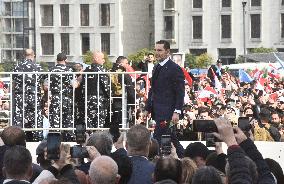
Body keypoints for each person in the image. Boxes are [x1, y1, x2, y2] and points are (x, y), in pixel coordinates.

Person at [145, 40, 185, 157]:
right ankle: (185, 159)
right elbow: (153, 89)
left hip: (169, 112)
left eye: (160, 50)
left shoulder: (175, 69)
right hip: (158, 111)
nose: (157, 53)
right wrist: (148, 107)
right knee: (170, 138)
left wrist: (177, 111)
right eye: (155, 50)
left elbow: (180, 92)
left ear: (167, 51)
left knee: (158, 137)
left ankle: (154, 161)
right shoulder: (156, 67)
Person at [12, 48, 43, 141]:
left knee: (19, 117)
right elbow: (43, 83)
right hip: (34, 96)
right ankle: (37, 138)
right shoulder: (38, 67)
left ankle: (18, 139)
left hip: (21, 96)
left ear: (24, 56)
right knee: (36, 117)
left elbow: (14, 83)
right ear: (33, 55)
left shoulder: (17, 67)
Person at [79, 51, 110, 128]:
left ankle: (89, 137)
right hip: (99, 99)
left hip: (87, 98)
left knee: (89, 121)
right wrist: (110, 96)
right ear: (96, 58)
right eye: (102, 58)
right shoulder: (101, 70)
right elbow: (106, 85)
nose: (104, 60)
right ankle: (98, 138)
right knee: (99, 121)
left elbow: (82, 84)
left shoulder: (86, 70)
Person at [49, 53, 74, 141]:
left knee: (55, 119)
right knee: (67, 119)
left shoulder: (51, 70)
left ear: (57, 60)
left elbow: (46, 85)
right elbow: (73, 84)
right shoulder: (69, 70)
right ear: (65, 60)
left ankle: (54, 140)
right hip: (66, 98)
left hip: (56, 97)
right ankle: (68, 139)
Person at [110, 56, 135, 128]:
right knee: (123, 124)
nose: (128, 65)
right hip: (123, 102)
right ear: (121, 64)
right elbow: (130, 91)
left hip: (109, 102)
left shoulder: (108, 72)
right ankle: (123, 138)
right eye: (126, 63)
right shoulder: (124, 74)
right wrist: (133, 104)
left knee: (113, 124)